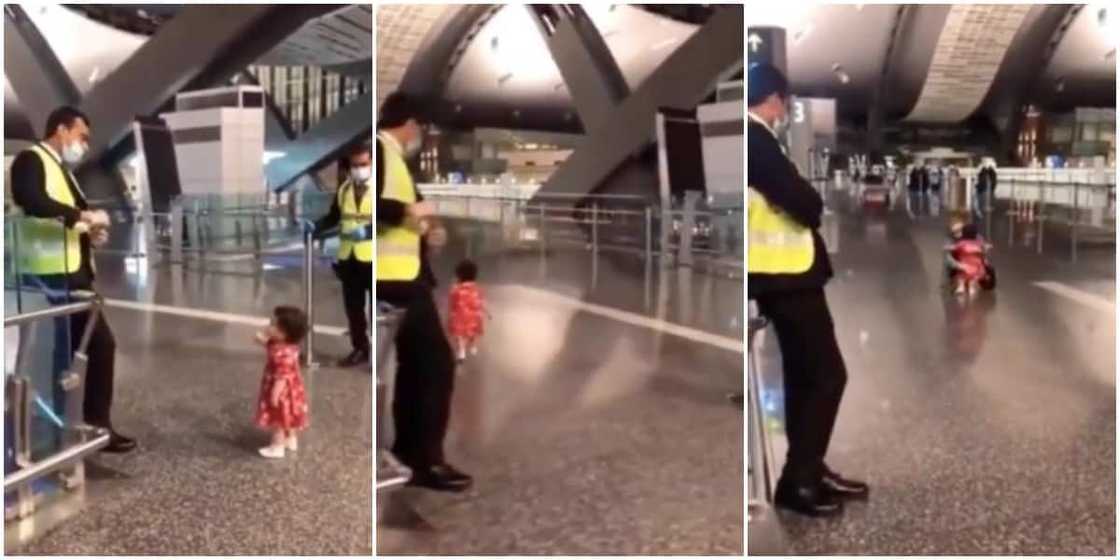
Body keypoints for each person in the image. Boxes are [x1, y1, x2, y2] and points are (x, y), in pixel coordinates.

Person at [746, 63, 867, 517]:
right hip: (785, 276)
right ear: (775, 99)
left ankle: (807, 469)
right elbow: (805, 203)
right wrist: (809, 201)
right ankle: (799, 479)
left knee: (803, 374)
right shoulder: (755, 139)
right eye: (786, 102)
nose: (786, 110)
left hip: (788, 275)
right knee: (827, 375)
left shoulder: (758, 139)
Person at [10, 106, 135, 453]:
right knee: (95, 345)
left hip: (69, 272)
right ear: (60, 130)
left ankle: (70, 425)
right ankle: (89, 426)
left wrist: (88, 233)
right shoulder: (31, 160)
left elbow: (63, 217)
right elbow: (32, 201)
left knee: (71, 349)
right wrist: (81, 216)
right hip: (49, 275)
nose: (83, 144)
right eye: (81, 136)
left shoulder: (63, 170)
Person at [376, 91, 471, 492]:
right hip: (392, 279)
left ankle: (411, 452)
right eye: (424, 127)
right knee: (434, 366)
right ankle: (424, 460)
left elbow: (408, 217)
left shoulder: (394, 160)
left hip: (406, 276)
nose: (424, 136)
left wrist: (429, 231)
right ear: (411, 122)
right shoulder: (378, 151)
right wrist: (408, 213)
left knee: (418, 366)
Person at [314, 141, 375, 368]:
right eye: (355, 164)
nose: (359, 168)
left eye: (363, 163)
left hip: (372, 257)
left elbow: (387, 219)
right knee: (353, 307)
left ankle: (380, 352)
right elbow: (334, 216)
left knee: (378, 308)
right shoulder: (344, 189)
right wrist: (315, 225)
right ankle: (360, 348)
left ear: (371, 163)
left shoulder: (380, 188)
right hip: (348, 257)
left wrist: (367, 231)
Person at [254, 306, 310, 459]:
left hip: (282, 391)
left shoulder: (281, 352)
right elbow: (264, 342)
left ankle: (277, 446)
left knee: (278, 420)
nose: (270, 327)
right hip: (293, 390)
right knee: (288, 417)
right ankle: (291, 439)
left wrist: (275, 393)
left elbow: (282, 376)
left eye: (274, 325)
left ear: (284, 333)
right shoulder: (288, 346)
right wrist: (263, 336)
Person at [448, 259, 488, 363]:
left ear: (458, 274)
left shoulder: (456, 289)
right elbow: (480, 303)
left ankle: (462, 352)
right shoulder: (477, 288)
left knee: (460, 335)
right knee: (472, 332)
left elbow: (452, 304)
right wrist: (486, 313)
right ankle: (473, 346)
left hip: (460, 317)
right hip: (475, 317)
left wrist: (450, 316)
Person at [946, 223, 989, 297]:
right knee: (973, 277)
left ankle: (961, 287)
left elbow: (954, 248)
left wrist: (948, 248)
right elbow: (984, 249)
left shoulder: (962, 243)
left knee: (961, 276)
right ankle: (971, 288)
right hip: (976, 265)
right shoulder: (978, 242)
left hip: (964, 264)